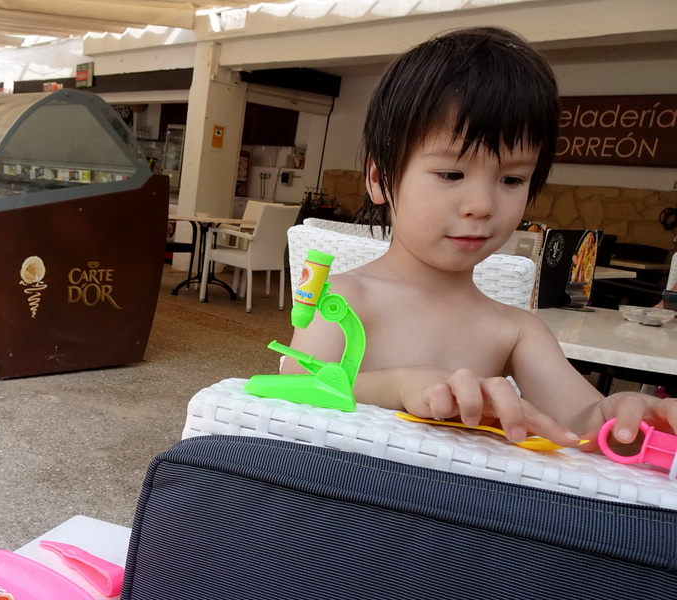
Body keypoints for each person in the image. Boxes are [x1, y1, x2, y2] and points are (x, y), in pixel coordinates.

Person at [281, 26, 677, 452]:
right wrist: (401, 385)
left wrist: (618, 420)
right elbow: (296, 387)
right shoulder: (343, 298)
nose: (482, 204)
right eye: (451, 174)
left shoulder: (516, 331)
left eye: (511, 179)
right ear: (380, 179)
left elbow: (577, 423)